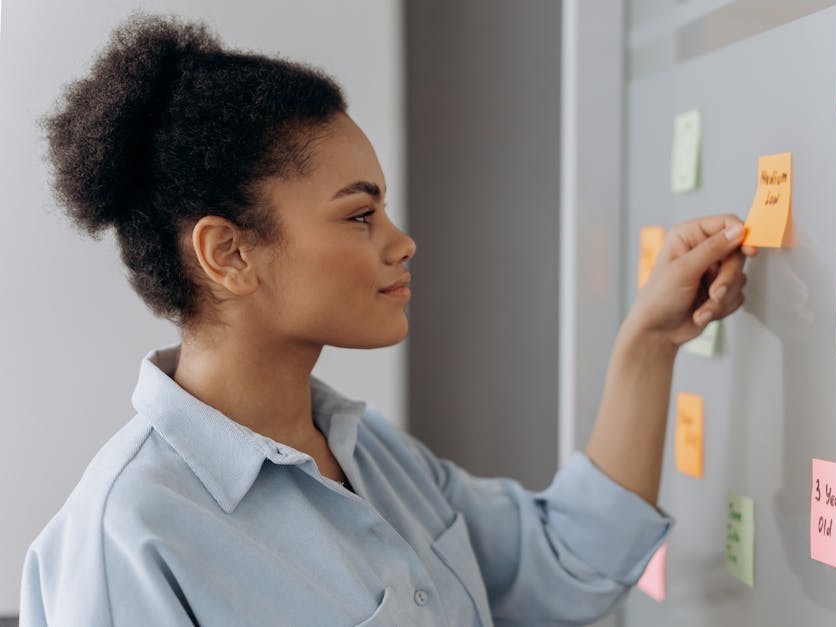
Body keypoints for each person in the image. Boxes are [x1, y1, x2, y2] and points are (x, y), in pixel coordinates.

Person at [19, 10, 756, 627]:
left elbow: (565, 563)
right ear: (229, 253)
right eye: (360, 215)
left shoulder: (373, 453)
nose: (402, 243)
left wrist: (651, 340)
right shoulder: (127, 533)